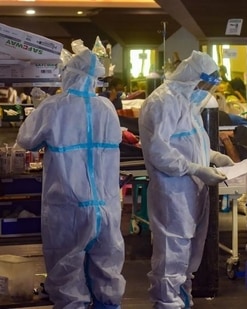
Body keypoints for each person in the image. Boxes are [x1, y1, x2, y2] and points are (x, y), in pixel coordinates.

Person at [16, 48, 126, 308]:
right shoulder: (107, 107)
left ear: (69, 74)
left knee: (66, 271)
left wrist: (40, 108)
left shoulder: (55, 106)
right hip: (106, 206)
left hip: (68, 205)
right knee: (106, 269)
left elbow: (26, 141)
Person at [138, 50, 235, 308]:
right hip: (174, 190)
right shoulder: (162, 102)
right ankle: (166, 302)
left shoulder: (188, 103)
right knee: (173, 252)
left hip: (193, 188)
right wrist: (197, 169)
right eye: (205, 85)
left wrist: (214, 157)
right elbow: (160, 152)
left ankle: (180, 298)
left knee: (189, 252)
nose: (206, 91)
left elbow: (191, 142)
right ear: (192, 78)